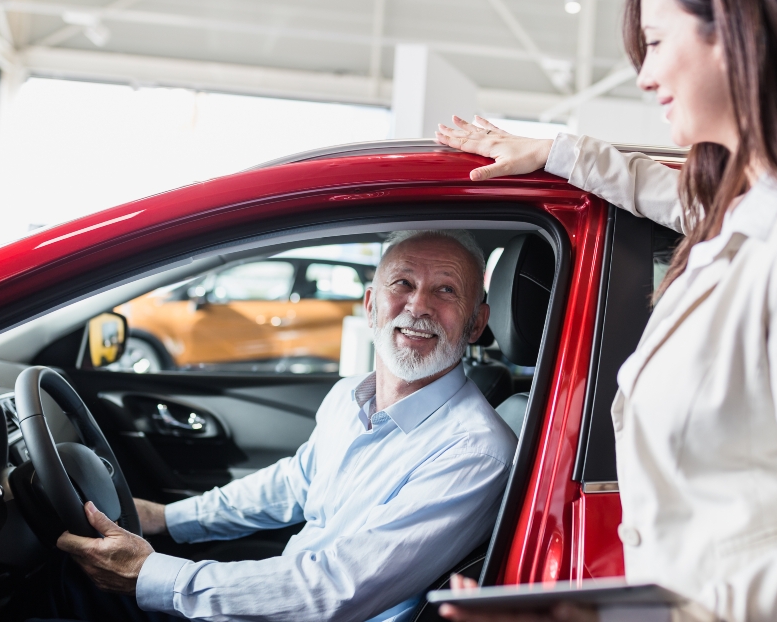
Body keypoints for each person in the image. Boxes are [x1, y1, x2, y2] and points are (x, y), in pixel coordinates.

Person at [434, 0, 777, 621]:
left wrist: (607, 619)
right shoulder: (745, 215)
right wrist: (554, 152)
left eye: (653, 42)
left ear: (737, 32)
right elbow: (663, 190)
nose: (644, 76)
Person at [38, 230, 518, 622]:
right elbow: (295, 482)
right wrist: (165, 520)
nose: (419, 306)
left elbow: (336, 590)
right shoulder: (349, 396)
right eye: (403, 284)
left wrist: (152, 576)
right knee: (70, 583)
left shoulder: (474, 451)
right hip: (279, 598)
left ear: (476, 324)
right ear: (371, 304)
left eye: (446, 290)